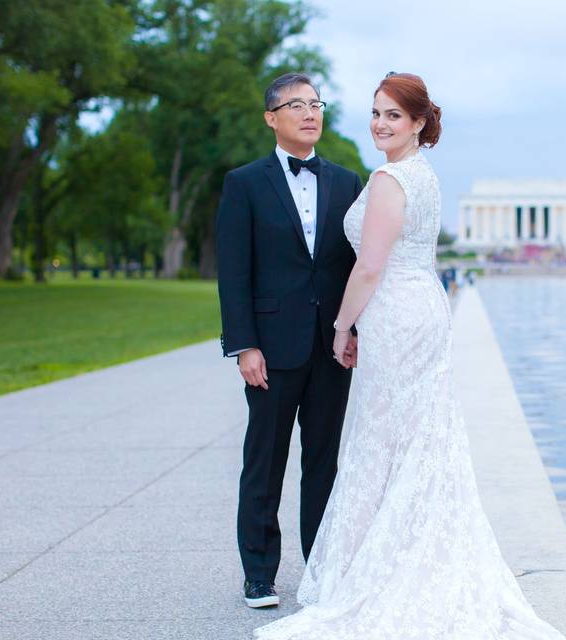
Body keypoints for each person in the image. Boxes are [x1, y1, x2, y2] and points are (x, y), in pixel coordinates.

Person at [253, 73, 566, 639]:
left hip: (395, 312)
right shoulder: (425, 176)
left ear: (419, 122)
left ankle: (382, 569)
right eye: (375, 113)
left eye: (393, 115)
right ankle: (412, 550)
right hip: (422, 306)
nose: (379, 124)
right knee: (419, 438)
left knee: (383, 440)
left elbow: (370, 266)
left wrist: (341, 327)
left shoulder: (390, 178)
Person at [216, 73, 363, 609]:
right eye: (296, 105)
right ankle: (259, 574)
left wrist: (353, 331)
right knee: (265, 460)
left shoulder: (349, 182)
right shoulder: (245, 183)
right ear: (271, 118)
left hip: (330, 349)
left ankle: (322, 569)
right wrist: (243, 344)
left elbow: (356, 267)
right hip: (270, 349)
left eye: (316, 104)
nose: (309, 113)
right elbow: (233, 273)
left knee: (324, 463)